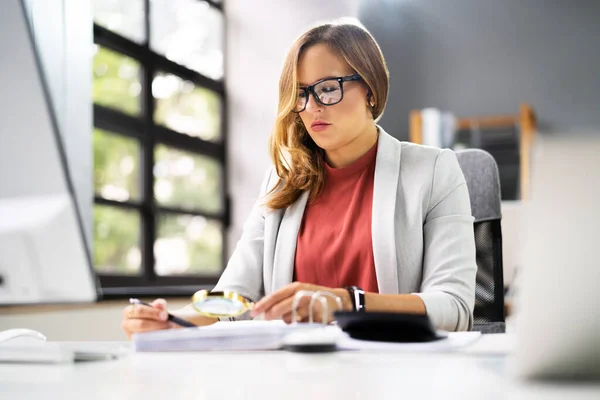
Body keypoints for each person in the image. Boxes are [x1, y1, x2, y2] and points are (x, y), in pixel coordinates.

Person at [121, 20, 477, 339]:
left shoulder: (433, 171)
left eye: (327, 88)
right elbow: (235, 297)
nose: (312, 107)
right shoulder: (282, 182)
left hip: (396, 374)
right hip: (297, 376)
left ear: (370, 89)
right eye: (302, 94)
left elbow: (454, 308)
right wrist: (174, 320)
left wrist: (347, 303)